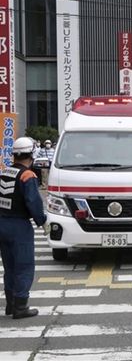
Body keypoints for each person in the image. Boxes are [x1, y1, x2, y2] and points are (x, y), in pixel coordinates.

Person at [1, 137, 48, 319]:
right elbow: (33, 202)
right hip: (19, 225)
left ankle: (11, 304)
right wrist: (42, 221)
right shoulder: (28, 176)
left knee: (10, 266)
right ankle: (21, 306)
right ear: (32, 154)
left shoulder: (5, 172)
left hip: (2, 222)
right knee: (24, 266)